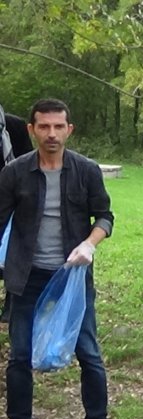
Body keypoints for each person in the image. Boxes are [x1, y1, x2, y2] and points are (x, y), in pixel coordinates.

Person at [0, 99, 114, 419]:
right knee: (19, 355)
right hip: (26, 276)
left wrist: (89, 244)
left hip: (71, 278)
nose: (52, 134)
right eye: (44, 127)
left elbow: (105, 217)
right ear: (32, 130)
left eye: (58, 126)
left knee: (89, 353)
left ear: (69, 129)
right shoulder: (14, 173)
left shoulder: (87, 170)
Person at [0, 103, 34, 324]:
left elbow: (28, 162)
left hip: (10, 199)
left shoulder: (14, 125)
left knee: (12, 252)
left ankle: (11, 303)